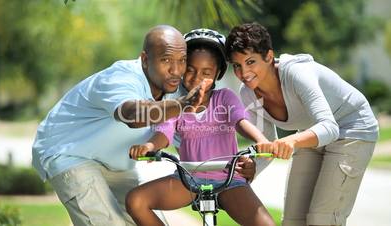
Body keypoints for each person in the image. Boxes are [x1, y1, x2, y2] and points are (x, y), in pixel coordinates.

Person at [31, 25, 214, 226]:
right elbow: (132, 114)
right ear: (145, 59)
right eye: (166, 60)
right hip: (69, 153)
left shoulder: (174, 88)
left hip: (116, 164)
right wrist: (183, 105)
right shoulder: (121, 77)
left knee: (148, 220)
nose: (176, 70)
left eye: (182, 61)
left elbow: (186, 138)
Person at [225, 22, 379, 226]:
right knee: (292, 221)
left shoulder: (297, 74)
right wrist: (255, 166)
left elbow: (330, 128)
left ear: (269, 57)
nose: (244, 73)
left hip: (352, 128)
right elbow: (269, 141)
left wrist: (292, 141)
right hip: (312, 131)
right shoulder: (248, 94)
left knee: (321, 220)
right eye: (237, 65)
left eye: (251, 62)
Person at [126, 28, 276, 226]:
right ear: (182, 68)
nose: (197, 77)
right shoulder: (175, 104)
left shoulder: (225, 98)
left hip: (228, 179)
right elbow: (164, 132)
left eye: (206, 72)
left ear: (218, 74)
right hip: (188, 179)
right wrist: (150, 147)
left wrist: (261, 141)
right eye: (191, 69)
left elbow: (241, 121)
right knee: (135, 201)